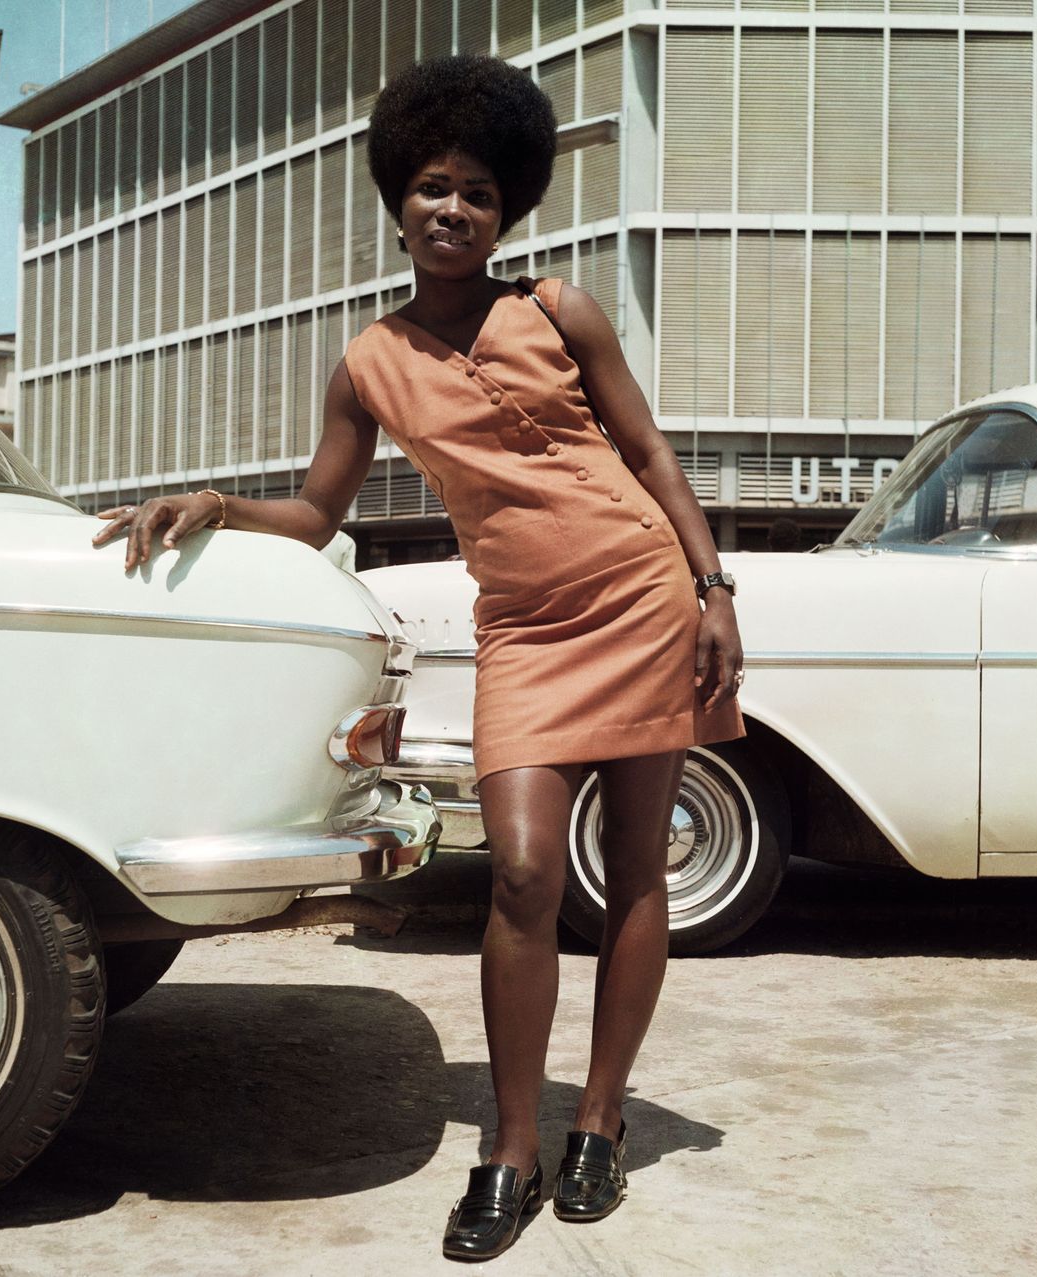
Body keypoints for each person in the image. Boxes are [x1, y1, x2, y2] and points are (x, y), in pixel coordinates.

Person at [92, 55, 745, 1263]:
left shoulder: (557, 308)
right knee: (522, 873)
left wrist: (712, 587)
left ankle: (598, 1116)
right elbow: (318, 514)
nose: (455, 210)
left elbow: (650, 455)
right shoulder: (365, 364)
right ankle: (510, 1142)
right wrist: (218, 502)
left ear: (510, 210)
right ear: (400, 195)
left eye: (481, 194)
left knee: (640, 869)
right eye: (435, 187)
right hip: (524, 630)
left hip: (644, 595)